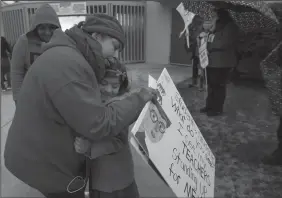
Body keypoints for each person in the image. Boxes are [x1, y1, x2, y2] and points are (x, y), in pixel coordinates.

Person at [4, 14, 158, 198]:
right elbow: (98, 123)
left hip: (41, 154)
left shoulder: (68, 56)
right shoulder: (69, 64)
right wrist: (139, 99)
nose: (115, 55)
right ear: (96, 36)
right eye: (114, 47)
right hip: (44, 163)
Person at [11, 4, 61, 103]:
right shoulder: (24, 42)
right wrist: (18, 99)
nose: (47, 32)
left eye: (51, 27)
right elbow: (17, 72)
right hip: (31, 98)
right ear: (35, 28)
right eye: (42, 28)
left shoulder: (61, 42)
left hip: (55, 98)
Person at [200, 9, 239, 116]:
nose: (213, 17)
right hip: (211, 62)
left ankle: (217, 109)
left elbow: (223, 43)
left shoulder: (231, 27)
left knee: (218, 86)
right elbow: (210, 39)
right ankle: (209, 106)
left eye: (215, 15)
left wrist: (209, 45)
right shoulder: (215, 27)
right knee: (211, 85)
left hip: (222, 63)